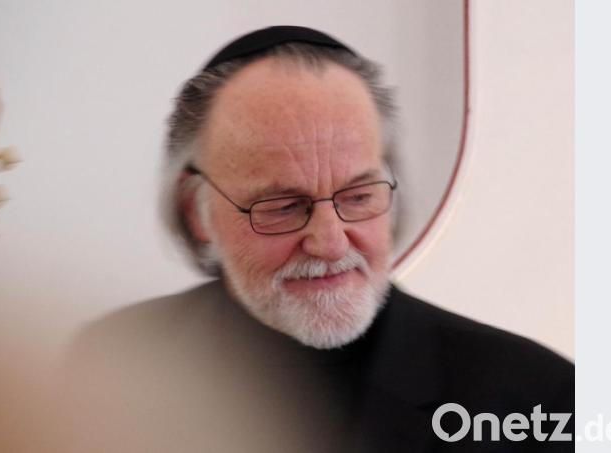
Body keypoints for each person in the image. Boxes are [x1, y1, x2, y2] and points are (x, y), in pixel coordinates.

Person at [66, 26, 573, 452]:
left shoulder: (541, 399)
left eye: (358, 196)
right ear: (196, 213)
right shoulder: (113, 366)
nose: (330, 244)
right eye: (282, 206)